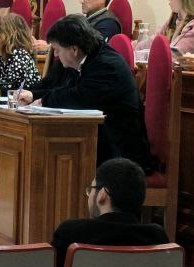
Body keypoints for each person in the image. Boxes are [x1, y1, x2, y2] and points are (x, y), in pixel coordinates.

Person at [17, 15, 155, 171]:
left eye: (57, 50)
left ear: (74, 49)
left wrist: (44, 101)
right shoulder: (88, 57)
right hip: (101, 141)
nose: (55, 55)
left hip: (121, 152)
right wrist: (36, 96)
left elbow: (79, 97)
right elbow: (64, 88)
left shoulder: (107, 65)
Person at [51, 158, 168, 267]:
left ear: (102, 194)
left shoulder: (70, 233)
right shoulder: (157, 237)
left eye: (91, 189)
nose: (89, 196)